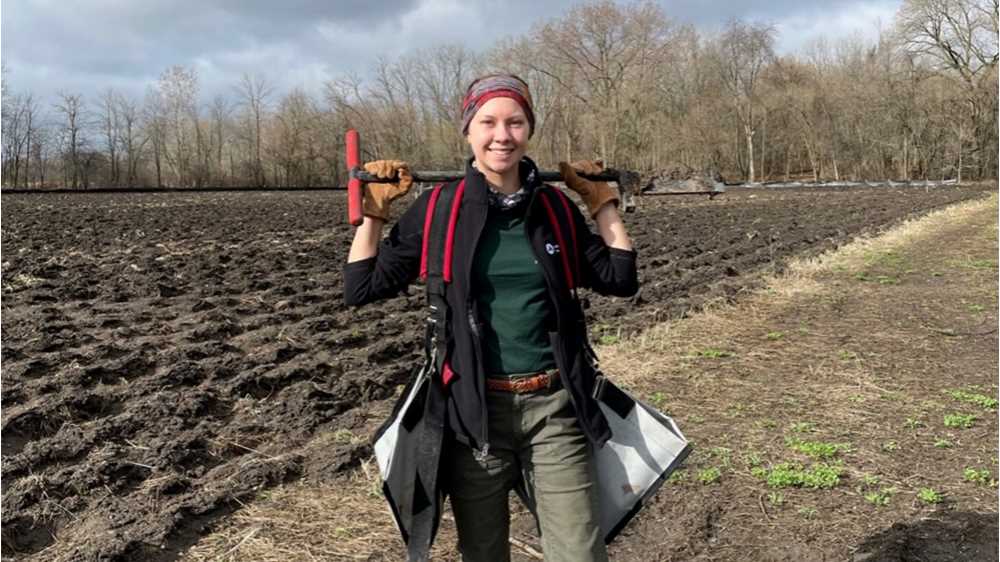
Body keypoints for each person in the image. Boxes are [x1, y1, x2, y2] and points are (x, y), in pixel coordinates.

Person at [344, 73, 638, 562]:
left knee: (581, 553)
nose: (502, 135)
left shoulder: (554, 208)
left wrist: (601, 201)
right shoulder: (440, 209)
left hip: (554, 407)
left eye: (515, 122)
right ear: (468, 130)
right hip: (470, 413)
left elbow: (620, 278)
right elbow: (362, 287)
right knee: (483, 553)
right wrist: (374, 214)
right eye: (488, 122)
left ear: (529, 130)